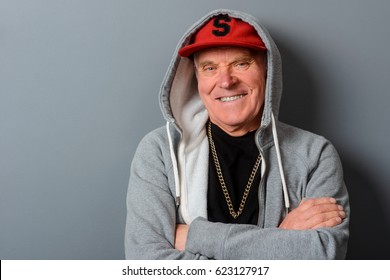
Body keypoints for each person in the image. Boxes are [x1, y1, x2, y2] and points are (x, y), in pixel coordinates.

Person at [125, 9, 349, 259]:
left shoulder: (315, 155)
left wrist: (196, 237)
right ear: (195, 78)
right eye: (209, 68)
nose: (226, 81)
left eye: (241, 63)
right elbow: (146, 264)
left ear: (267, 69)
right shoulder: (159, 152)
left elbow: (324, 255)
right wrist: (282, 236)